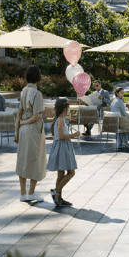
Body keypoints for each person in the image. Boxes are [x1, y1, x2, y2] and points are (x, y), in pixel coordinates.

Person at [15, 65, 47, 202]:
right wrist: (25, 122)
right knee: (36, 160)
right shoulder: (37, 93)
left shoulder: (23, 91)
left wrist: (17, 130)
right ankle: (31, 193)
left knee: (22, 160)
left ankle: (22, 194)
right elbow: (36, 116)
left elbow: (19, 113)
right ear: (38, 77)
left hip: (22, 130)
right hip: (33, 129)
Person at [48, 98, 79, 207]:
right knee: (71, 172)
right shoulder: (60, 120)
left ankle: (58, 198)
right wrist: (73, 135)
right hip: (62, 147)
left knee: (61, 174)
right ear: (64, 108)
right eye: (68, 107)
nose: (69, 109)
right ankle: (56, 191)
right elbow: (61, 136)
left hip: (61, 147)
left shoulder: (59, 119)